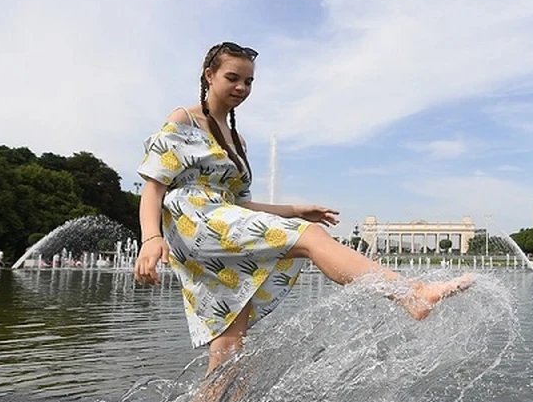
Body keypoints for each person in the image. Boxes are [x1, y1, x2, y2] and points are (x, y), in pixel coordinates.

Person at [133, 41, 473, 376]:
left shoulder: (238, 141)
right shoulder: (184, 119)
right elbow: (154, 186)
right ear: (209, 75)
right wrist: (151, 238)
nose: (241, 87)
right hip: (194, 221)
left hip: (220, 219)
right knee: (312, 238)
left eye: (249, 81)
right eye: (232, 78)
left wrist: (295, 210)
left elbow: (239, 205)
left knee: (230, 350)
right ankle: (411, 295)